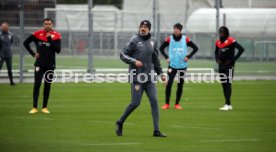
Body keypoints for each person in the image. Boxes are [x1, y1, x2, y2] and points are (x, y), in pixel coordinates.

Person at [116, 20, 167, 137]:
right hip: (137, 78)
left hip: (150, 78)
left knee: (154, 101)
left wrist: (161, 74)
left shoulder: (153, 41)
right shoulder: (134, 40)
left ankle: (156, 130)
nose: (142, 28)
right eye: (141, 26)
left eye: (145, 27)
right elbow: (122, 55)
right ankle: (120, 122)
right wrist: (134, 61)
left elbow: (156, 60)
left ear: (149, 29)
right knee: (135, 103)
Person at [23, 18, 61, 114]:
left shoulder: (56, 35)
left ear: (52, 25)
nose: (47, 25)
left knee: (47, 85)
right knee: (37, 84)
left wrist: (49, 39)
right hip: (39, 64)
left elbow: (58, 50)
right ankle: (34, 107)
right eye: (46, 24)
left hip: (50, 65)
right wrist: (33, 54)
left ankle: (44, 107)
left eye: (49, 24)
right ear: (43, 25)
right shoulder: (37, 34)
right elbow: (25, 43)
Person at [159, 23, 198, 110]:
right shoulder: (170, 39)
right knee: (169, 84)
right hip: (172, 65)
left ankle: (177, 104)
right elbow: (161, 48)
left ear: (180, 30)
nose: (175, 30)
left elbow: (196, 48)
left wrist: (188, 56)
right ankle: (167, 104)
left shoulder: (186, 39)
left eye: (177, 29)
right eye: (174, 28)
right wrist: (166, 57)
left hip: (182, 65)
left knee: (180, 84)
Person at [215, 26, 244, 111]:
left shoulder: (231, 41)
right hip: (221, 66)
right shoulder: (217, 42)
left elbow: (241, 49)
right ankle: (228, 104)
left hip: (229, 66)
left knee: (228, 84)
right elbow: (216, 51)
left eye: (223, 32)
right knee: (224, 85)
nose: (221, 34)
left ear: (226, 33)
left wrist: (232, 60)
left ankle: (227, 104)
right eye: (220, 32)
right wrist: (217, 59)